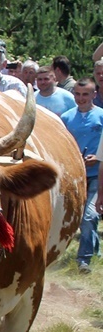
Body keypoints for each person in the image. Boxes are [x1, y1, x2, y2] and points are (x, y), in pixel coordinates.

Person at [62, 80, 103, 273]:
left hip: (97, 175)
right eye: (77, 94)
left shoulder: (101, 116)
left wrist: (98, 157)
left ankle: (83, 260)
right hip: (74, 175)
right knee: (78, 219)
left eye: (85, 94)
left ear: (94, 95)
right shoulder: (66, 118)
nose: (80, 98)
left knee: (89, 216)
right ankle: (95, 250)